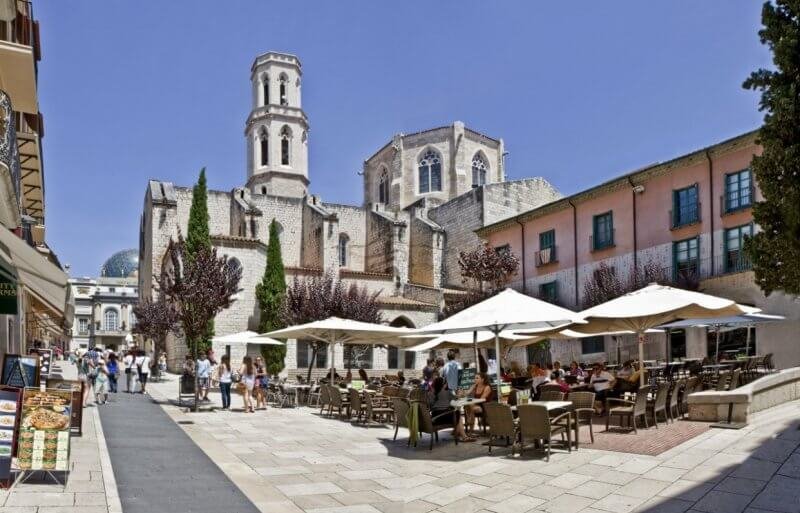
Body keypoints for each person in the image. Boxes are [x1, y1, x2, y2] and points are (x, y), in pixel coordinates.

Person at [428, 377, 474, 443]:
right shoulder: (447, 393)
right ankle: (464, 437)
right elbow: (457, 399)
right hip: (445, 417)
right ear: (444, 384)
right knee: (457, 413)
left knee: (456, 414)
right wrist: (460, 394)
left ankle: (458, 434)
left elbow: (429, 406)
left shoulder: (430, 393)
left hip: (435, 418)